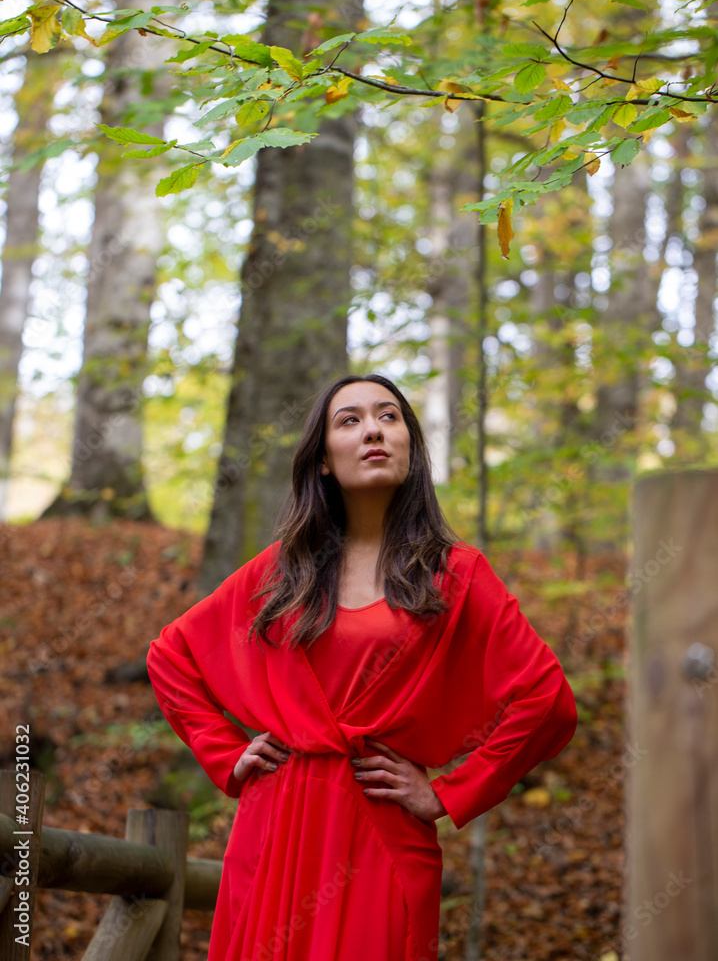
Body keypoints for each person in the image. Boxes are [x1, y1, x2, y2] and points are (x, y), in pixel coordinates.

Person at [146, 373, 577, 961]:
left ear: (409, 446)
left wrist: (449, 793)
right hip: (275, 827)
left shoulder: (456, 574)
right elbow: (172, 656)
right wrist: (226, 752)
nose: (373, 428)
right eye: (349, 420)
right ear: (323, 459)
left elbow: (547, 700)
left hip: (382, 830)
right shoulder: (281, 571)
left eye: (389, 416)